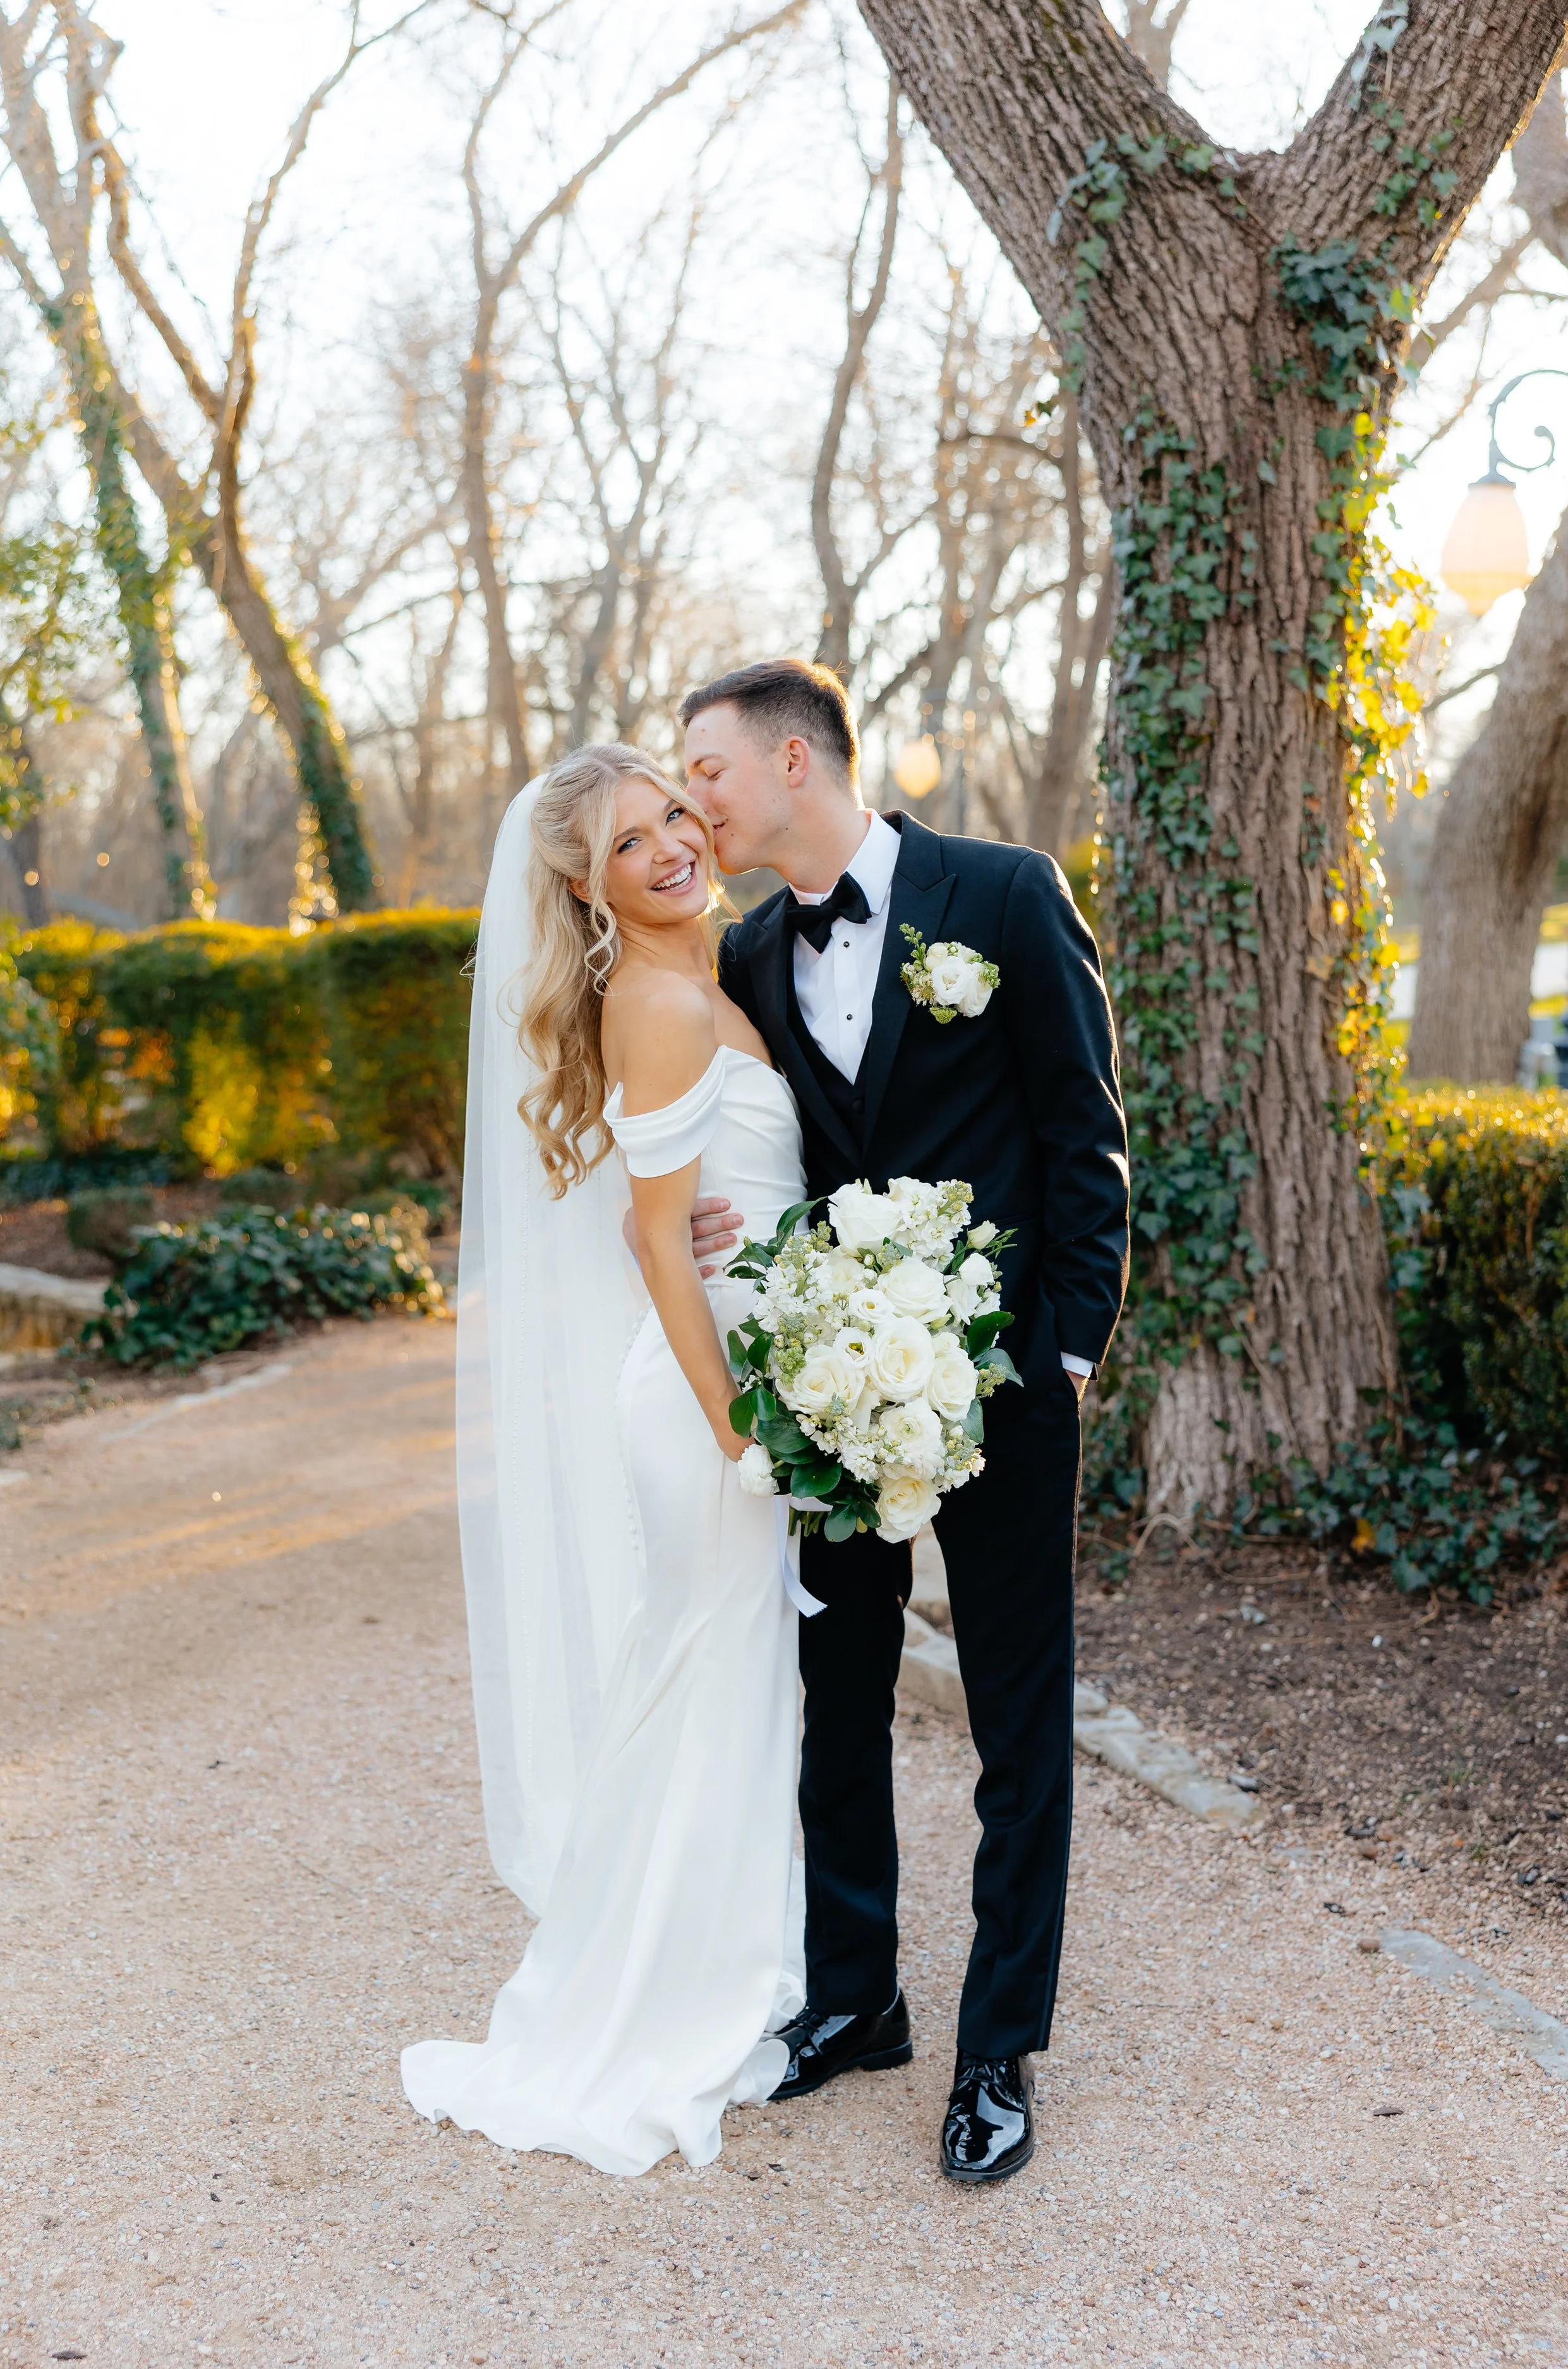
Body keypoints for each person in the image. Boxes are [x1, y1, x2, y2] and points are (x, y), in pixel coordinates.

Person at [682, 658, 1129, 2185]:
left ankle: (996, 2045)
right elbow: (755, 1146)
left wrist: (1063, 1358)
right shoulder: (748, 953)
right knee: (838, 1696)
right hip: (831, 1392)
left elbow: (1084, 1135)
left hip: (999, 1386)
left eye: (711, 773)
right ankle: (856, 1997)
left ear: (796, 760)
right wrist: (710, 1239)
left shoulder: (1001, 896)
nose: (697, 802)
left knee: (1015, 1714)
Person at [401, 744, 809, 2177]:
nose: (668, 848)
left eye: (672, 819)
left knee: (721, 1686)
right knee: (705, 1683)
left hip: (741, 1371)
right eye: (628, 843)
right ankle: (664, 1994)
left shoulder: (709, 984)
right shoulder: (652, 999)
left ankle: (732, 1961)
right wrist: (737, 1428)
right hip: (706, 1402)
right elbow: (652, 1236)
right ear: (585, 885)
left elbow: (709, 1201)